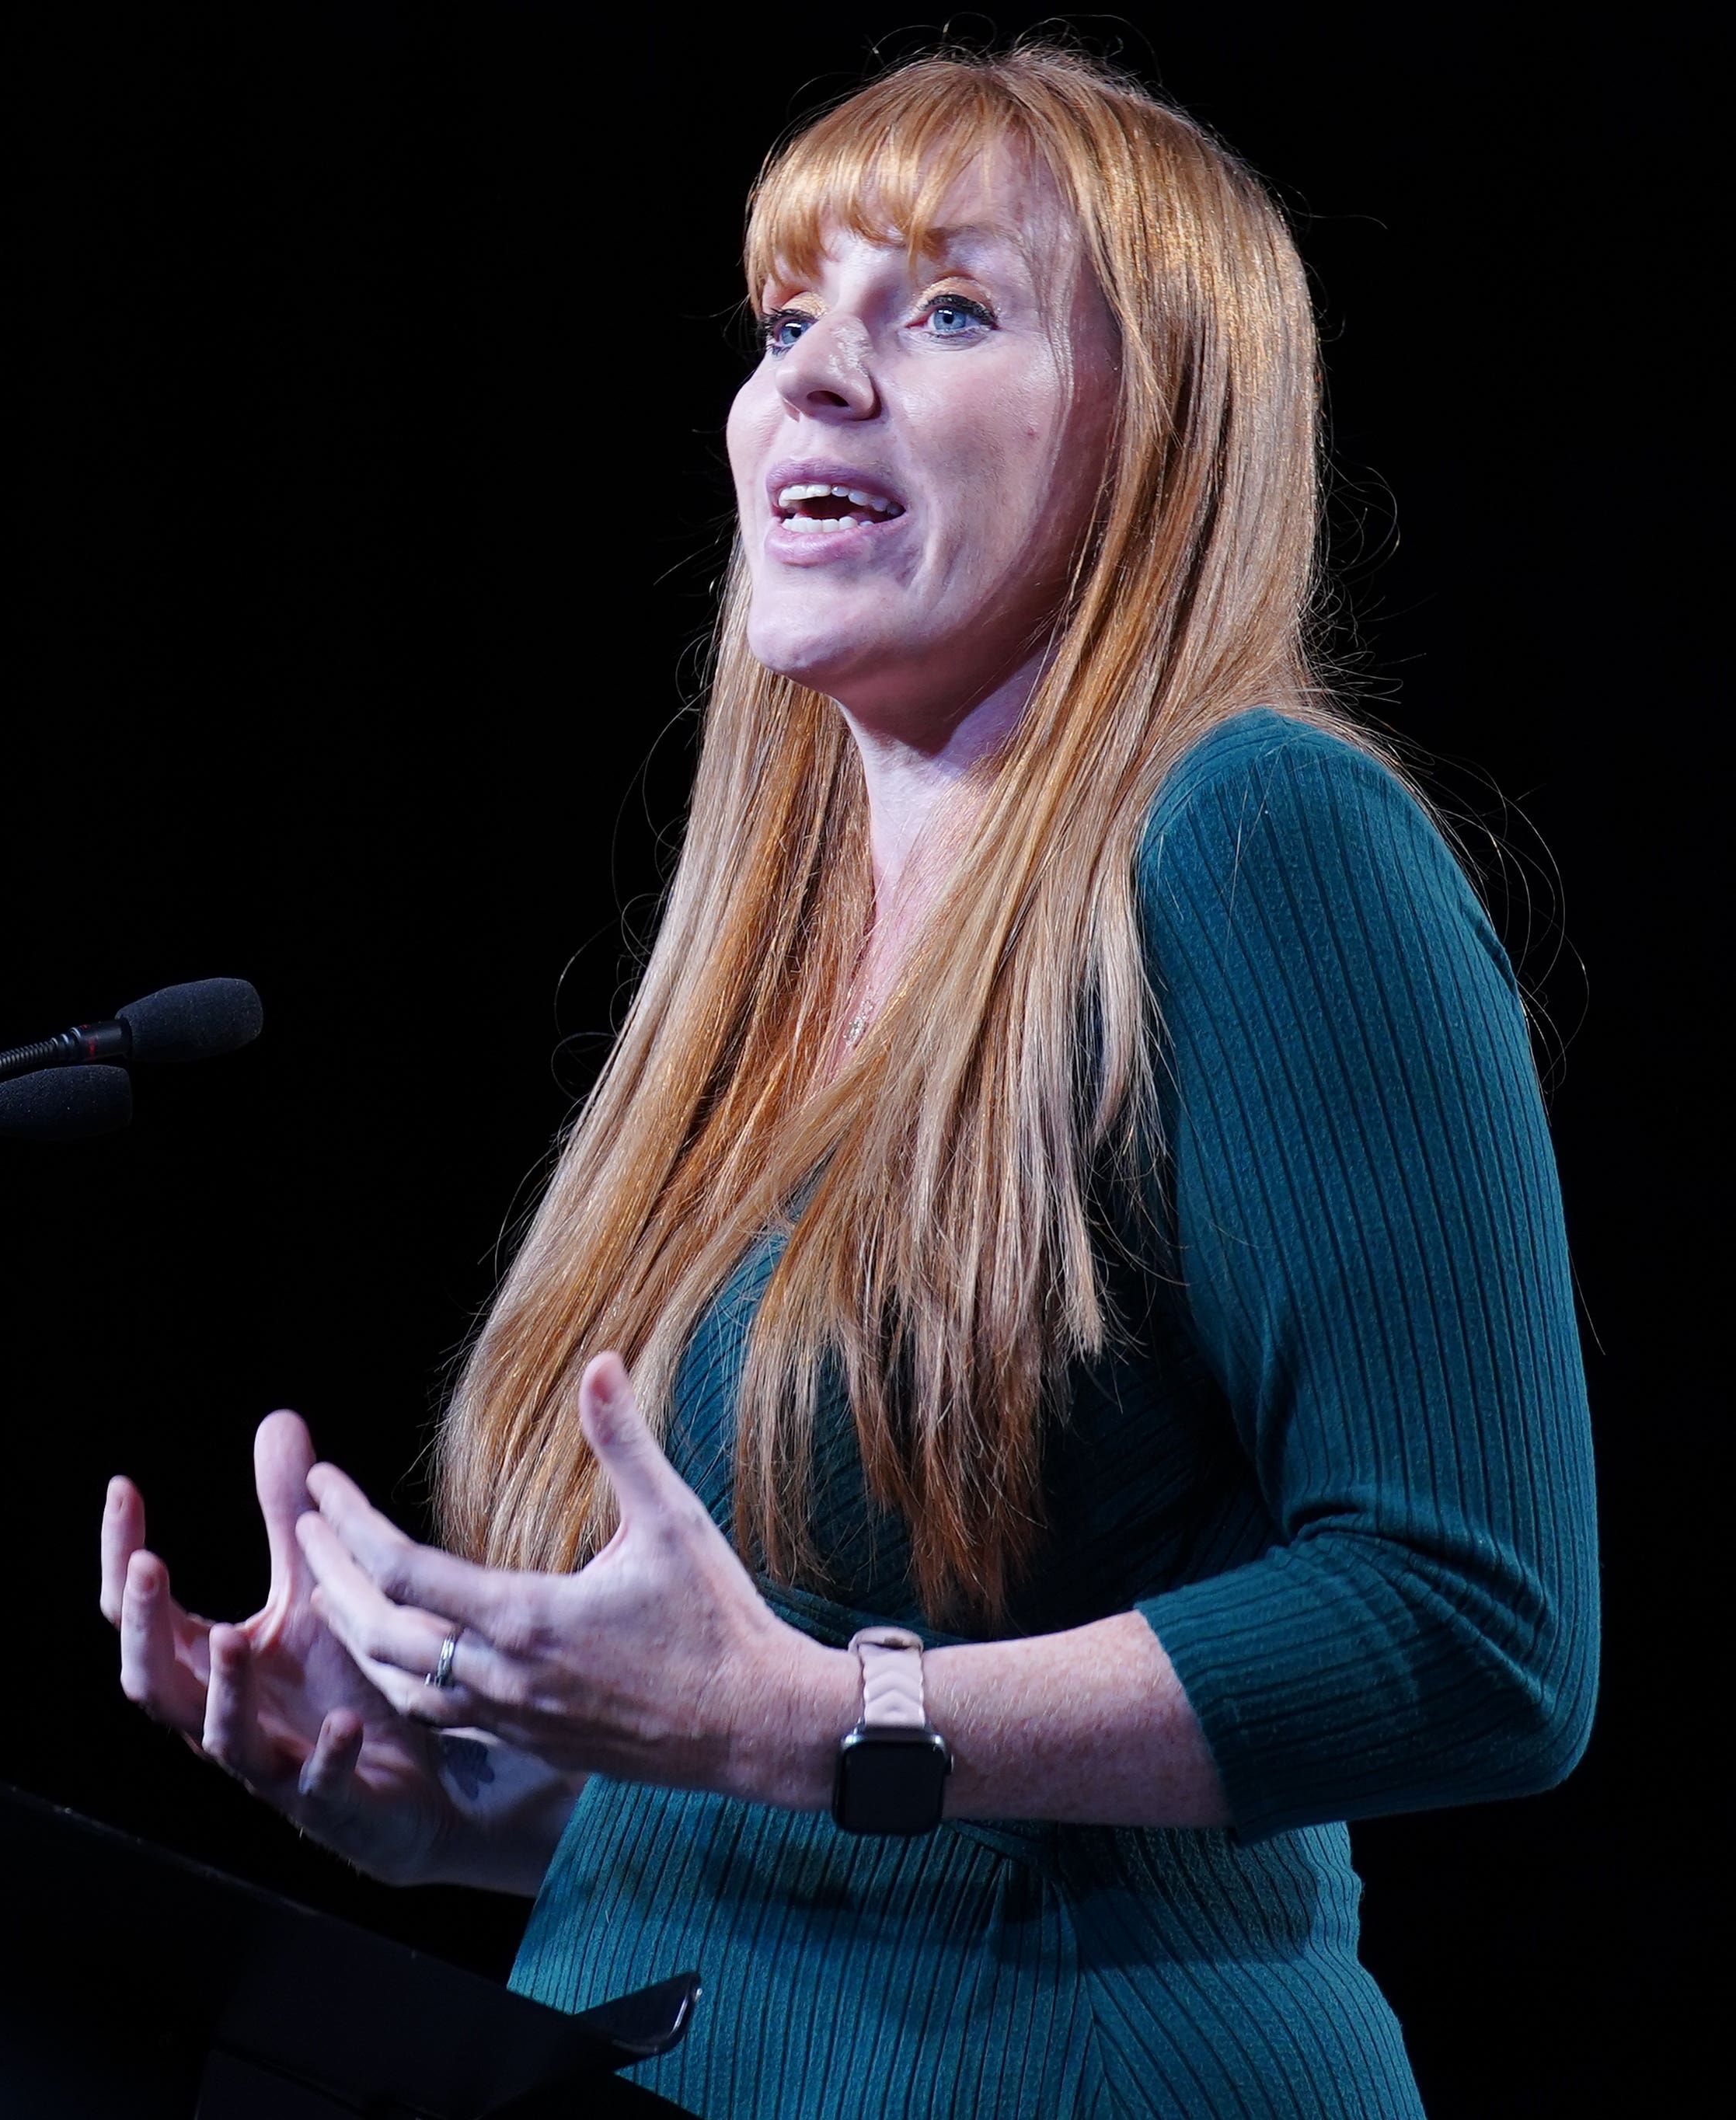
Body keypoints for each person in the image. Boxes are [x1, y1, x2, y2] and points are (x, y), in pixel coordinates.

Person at [96, 44, 1595, 2119]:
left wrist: (819, 1719)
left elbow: (1472, 1627)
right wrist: (479, 1795)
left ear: (1158, 428)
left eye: (947, 310)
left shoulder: (1258, 840)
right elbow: (811, 1757)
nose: (809, 377)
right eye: (788, 320)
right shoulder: (756, 985)